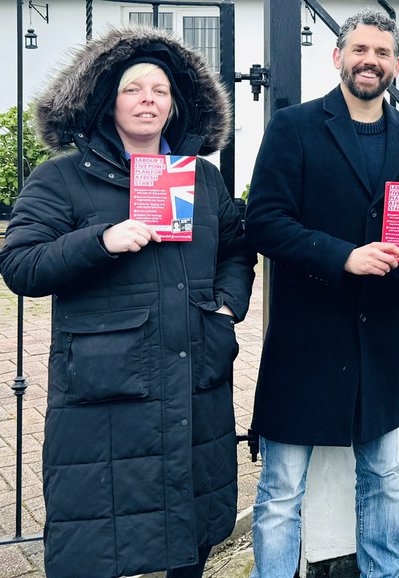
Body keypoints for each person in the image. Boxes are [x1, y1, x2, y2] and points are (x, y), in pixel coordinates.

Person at [0, 27, 254, 578]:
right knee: (102, 540)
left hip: (194, 378)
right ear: (106, 101)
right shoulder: (62, 178)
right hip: (107, 390)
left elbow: (237, 250)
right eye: (133, 88)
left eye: (159, 90)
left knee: (191, 532)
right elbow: (20, 265)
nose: (148, 100)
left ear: (175, 104)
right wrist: (102, 240)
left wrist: (228, 306)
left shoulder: (203, 181)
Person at [244, 9, 399, 578]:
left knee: (382, 476)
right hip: (306, 336)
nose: (369, 61)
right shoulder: (294, 127)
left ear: (397, 66)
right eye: (359, 50)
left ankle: (384, 572)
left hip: (381, 336)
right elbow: (263, 222)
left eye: (382, 54)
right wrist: (342, 256)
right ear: (337, 57)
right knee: (282, 488)